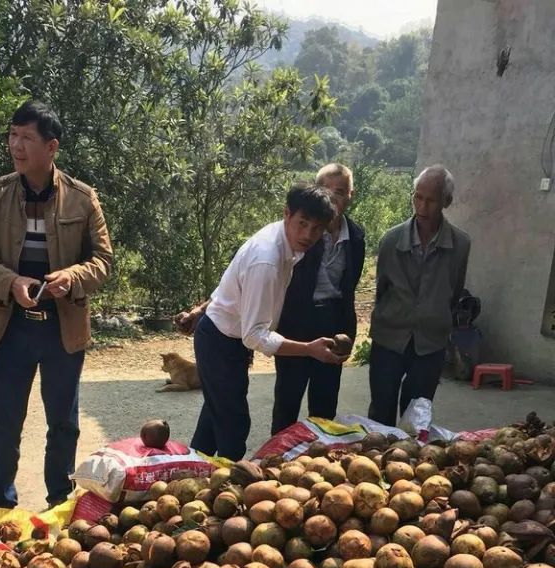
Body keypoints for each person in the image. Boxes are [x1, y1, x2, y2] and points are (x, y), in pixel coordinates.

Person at [0, 100, 113, 509]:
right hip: (11, 324)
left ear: (52, 147)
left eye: (27, 137)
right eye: (13, 134)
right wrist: (10, 282)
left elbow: (103, 259)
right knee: (7, 420)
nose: (17, 145)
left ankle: (59, 501)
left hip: (61, 326)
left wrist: (72, 277)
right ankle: (2, 501)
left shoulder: (82, 199)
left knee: (63, 422)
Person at [176, 184, 345, 461]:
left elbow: (234, 291)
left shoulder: (284, 240)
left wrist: (201, 310)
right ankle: (228, 491)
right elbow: (254, 337)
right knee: (233, 426)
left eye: (316, 228)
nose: (308, 235)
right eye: (302, 224)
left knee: (215, 417)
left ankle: (190, 471)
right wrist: (309, 349)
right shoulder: (267, 260)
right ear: (287, 214)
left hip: (225, 338)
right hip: (221, 341)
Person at [368, 164, 470, 426]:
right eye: (418, 197)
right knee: (381, 407)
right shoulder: (391, 240)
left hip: (430, 340)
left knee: (417, 413)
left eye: (431, 200)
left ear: (446, 202)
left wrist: (433, 314)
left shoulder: (460, 244)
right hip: (389, 336)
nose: (422, 206)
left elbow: (454, 290)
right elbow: (383, 288)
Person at [271, 162, 365, 433]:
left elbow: (350, 286)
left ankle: (320, 462)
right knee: (287, 401)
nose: (334, 196)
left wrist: (348, 332)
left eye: (341, 190)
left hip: (334, 323)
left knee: (325, 404)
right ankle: (276, 458)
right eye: (327, 189)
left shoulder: (356, 237)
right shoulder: (303, 232)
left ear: (350, 195)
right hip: (297, 323)